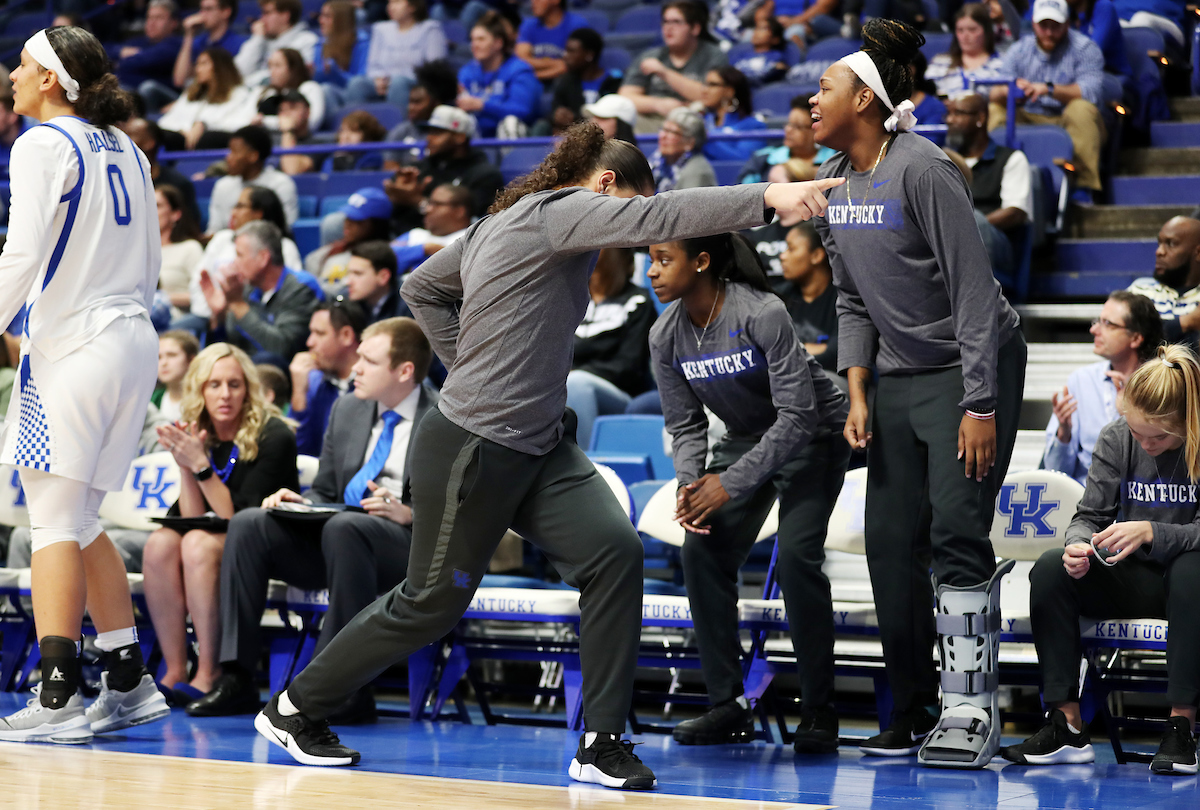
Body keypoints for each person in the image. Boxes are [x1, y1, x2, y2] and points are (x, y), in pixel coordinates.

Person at [252, 121, 846, 784]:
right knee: (431, 601)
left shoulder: (500, 224)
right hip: (472, 444)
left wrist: (472, 361)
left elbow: (421, 285)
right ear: (605, 185)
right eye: (629, 213)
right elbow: (665, 212)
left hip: (538, 441)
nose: (637, 235)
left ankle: (601, 741)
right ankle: (295, 706)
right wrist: (773, 197)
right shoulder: (559, 211)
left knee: (613, 554)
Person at [811, 19, 1026, 768]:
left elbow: (973, 293)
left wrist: (979, 404)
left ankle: (970, 709)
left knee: (955, 536)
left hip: (972, 365)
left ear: (865, 100)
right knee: (887, 547)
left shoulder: (926, 169)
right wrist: (858, 389)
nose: (813, 99)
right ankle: (907, 711)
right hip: (896, 374)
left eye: (826, 88)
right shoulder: (837, 184)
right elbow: (849, 300)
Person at [0, 25, 170, 744]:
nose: (10, 74)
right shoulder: (128, 147)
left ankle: (58, 695)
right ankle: (128, 680)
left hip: (73, 346)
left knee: (53, 524)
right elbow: (154, 259)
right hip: (134, 340)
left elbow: (25, 248)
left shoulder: (40, 143)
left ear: (48, 79)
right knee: (85, 518)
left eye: (20, 64)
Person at [648, 231, 849, 753]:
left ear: (702, 262)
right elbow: (686, 425)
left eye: (663, 260)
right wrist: (691, 484)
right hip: (746, 437)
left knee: (799, 559)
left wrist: (729, 484)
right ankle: (728, 705)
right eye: (650, 261)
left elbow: (799, 415)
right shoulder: (664, 334)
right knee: (702, 550)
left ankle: (819, 711)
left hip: (814, 433)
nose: (652, 271)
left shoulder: (761, 312)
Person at [190, 318, 436, 721]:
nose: (355, 368)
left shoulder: (443, 417)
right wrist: (300, 504)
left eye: (368, 361)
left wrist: (410, 513)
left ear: (404, 371)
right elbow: (325, 492)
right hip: (342, 539)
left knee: (346, 527)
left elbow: (466, 506)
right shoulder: (348, 408)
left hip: (406, 547)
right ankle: (235, 676)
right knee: (251, 523)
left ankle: (339, 688)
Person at [1001, 342, 1200, 775]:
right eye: (1138, 431)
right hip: (1136, 581)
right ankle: (1067, 722)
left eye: (1160, 437)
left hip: (1189, 586)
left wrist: (1152, 531)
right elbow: (1088, 516)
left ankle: (1182, 726)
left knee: (1191, 569)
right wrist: (1079, 545)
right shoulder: (1117, 436)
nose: (1146, 444)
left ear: (1188, 422)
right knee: (1052, 567)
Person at [142, 343, 299, 706]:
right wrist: (185, 465)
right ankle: (175, 669)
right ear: (199, 389)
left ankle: (210, 670)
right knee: (161, 543)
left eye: (234, 384)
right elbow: (190, 516)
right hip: (214, 537)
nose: (225, 394)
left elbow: (239, 519)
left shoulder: (273, 435)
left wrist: (200, 466)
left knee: (197, 543)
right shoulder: (203, 431)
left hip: (265, 543)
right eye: (214, 385)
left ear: (248, 389)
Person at [990, 0, 1107, 203]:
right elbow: (994, 91)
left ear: (1067, 23)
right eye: (1044, 26)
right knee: (995, 108)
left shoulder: (1085, 48)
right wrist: (1013, 89)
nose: (1049, 33)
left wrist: (1048, 89)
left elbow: (1091, 91)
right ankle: (993, 174)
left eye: (1056, 26)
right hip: (1027, 113)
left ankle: (1083, 184)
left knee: (1082, 109)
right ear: (1034, 24)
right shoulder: (1019, 50)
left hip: (1065, 116)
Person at [1043, 290, 1161, 485]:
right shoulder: (1081, 381)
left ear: (1136, 338)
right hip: (1085, 499)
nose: (1094, 330)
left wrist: (1128, 414)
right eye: (1097, 321)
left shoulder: (1164, 385)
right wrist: (1064, 434)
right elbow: (1056, 473)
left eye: (1108, 324)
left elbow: (1160, 466)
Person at [201, 220, 325, 365]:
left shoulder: (301, 289)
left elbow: (281, 349)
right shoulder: (246, 290)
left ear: (263, 258)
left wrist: (238, 305)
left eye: (240, 255)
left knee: (265, 360)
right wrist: (219, 317)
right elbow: (226, 347)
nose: (234, 263)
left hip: (285, 374)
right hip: (246, 372)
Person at [567, 247, 656, 447]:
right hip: (568, 383)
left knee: (576, 384)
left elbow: (628, 368)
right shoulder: (573, 299)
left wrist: (574, 373)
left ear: (623, 256)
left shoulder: (638, 302)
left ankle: (586, 465)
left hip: (618, 392)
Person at [943, 91, 1035, 280]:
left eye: (958, 113)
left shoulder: (1010, 159)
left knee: (972, 219)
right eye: (949, 113)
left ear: (981, 118)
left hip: (995, 244)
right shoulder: (943, 161)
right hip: (949, 243)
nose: (950, 120)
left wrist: (965, 229)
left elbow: (1015, 212)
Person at [188, 185, 304, 327]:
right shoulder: (222, 238)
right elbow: (199, 281)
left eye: (240, 206)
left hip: (260, 320)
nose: (233, 212)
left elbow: (288, 294)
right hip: (211, 316)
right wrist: (212, 312)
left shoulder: (284, 247)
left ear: (258, 214)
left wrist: (236, 310)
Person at [381, 105, 504, 234]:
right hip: (407, 240)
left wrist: (417, 202)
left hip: (456, 245)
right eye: (429, 132)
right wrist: (396, 193)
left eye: (437, 132)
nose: (429, 138)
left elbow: (474, 221)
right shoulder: (417, 170)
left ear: (460, 137)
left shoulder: (485, 175)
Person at [620, 1, 728, 134]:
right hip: (650, 119)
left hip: (692, 123)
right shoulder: (650, 56)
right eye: (665, 22)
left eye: (676, 22)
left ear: (695, 28)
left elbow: (711, 96)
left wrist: (664, 72)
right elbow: (625, 96)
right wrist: (658, 104)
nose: (668, 28)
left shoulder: (713, 56)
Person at [290, 298, 368, 456]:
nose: (309, 342)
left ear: (346, 335)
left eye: (319, 333)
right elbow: (299, 454)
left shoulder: (374, 383)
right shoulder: (312, 380)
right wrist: (299, 393)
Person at [345, 0, 447, 107]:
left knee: (398, 83)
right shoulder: (381, 29)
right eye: (389, 3)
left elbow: (435, 70)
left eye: (396, 2)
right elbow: (373, 65)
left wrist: (392, 81)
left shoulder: (430, 29)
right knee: (357, 83)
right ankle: (354, 122)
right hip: (384, 83)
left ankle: (401, 122)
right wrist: (378, 79)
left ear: (413, 6)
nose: (391, 7)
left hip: (415, 83)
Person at [457, 12, 542, 138]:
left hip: (515, 134)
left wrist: (482, 105)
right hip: (477, 133)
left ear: (498, 43)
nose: (474, 45)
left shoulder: (519, 70)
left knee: (510, 123)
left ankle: (512, 159)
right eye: (472, 39)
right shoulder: (467, 71)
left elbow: (522, 110)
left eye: (481, 39)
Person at [157, 46, 255, 152]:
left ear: (220, 67)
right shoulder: (191, 94)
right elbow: (165, 122)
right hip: (181, 140)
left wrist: (204, 125)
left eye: (204, 64)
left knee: (207, 139)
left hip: (212, 142)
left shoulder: (238, 94)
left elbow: (240, 122)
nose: (198, 69)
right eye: (197, 64)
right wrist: (183, 131)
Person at [207, 124, 299, 235]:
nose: (228, 157)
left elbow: (284, 229)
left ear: (253, 156)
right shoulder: (222, 185)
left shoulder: (281, 184)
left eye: (234, 152)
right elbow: (214, 231)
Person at [1128, 217, 1200, 350]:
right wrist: (1187, 322)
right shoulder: (1140, 290)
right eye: (1159, 243)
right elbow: (1126, 339)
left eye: (1171, 243)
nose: (1159, 251)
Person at [776, 221, 839, 373]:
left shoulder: (843, 298)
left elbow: (836, 354)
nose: (782, 256)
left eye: (791, 249)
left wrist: (789, 353)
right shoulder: (778, 297)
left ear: (816, 255)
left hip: (834, 381)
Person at [306, 188, 394, 289]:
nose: (347, 223)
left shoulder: (387, 256)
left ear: (376, 225)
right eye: (348, 217)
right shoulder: (330, 251)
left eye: (357, 220)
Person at [120, 118, 200, 225]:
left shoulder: (178, 183)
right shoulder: (117, 180)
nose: (123, 140)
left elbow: (191, 225)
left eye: (130, 135)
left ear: (149, 143)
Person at [543, 28, 624, 134]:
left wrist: (575, 119)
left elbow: (615, 116)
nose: (565, 56)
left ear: (589, 55)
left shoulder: (614, 81)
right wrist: (557, 116)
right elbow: (554, 109)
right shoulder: (566, 81)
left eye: (571, 51)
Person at [738, 97, 835, 184]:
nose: (788, 130)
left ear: (815, 129)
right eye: (788, 124)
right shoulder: (763, 159)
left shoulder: (836, 160)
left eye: (797, 126)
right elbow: (743, 194)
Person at [382, 60, 459, 168]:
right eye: (410, 102)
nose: (410, 107)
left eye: (417, 102)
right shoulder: (400, 132)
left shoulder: (457, 131)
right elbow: (389, 169)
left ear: (436, 103)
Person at [389, 182, 473, 280]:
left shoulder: (470, 240)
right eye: (429, 203)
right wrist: (424, 249)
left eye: (437, 204)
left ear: (459, 212)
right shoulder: (415, 234)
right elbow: (381, 261)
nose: (427, 209)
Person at [925, 3, 1006, 98]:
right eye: (960, 30)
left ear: (987, 31)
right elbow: (926, 96)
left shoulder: (1002, 64)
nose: (965, 36)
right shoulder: (939, 62)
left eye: (972, 30)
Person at [115, 0, 183, 111]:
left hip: (162, 98)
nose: (152, 23)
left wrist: (121, 61)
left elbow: (148, 61)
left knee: (147, 88)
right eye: (149, 18)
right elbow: (107, 50)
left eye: (159, 18)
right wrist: (120, 53)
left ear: (173, 23)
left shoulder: (175, 44)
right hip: (131, 91)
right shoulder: (139, 42)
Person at [234, 0, 319, 84]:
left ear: (285, 16)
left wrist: (250, 82)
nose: (262, 19)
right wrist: (257, 39)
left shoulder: (306, 41)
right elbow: (237, 73)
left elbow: (292, 76)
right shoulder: (259, 41)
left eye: (267, 13)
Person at [173, 0, 247, 91]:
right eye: (201, 9)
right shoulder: (198, 42)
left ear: (226, 12)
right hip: (195, 96)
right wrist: (189, 35)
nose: (202, 15)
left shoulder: (241, 44)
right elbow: (179, 80)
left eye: (208, 9)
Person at [249, 48, 325, 135]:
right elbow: (250, 119)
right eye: (270, 66)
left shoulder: (310, 88)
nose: (272, 71)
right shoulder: (264, 92)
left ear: (293, 69)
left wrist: (264, 122)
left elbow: (311, 122)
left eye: (277, 66)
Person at [700, 66, 768, 163]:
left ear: (729, 91)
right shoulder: (702, 121)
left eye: (712, 85)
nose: (704, 90)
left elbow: (744, 161)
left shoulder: (754, 126)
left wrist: (704, 140)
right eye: (705, 84)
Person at [157, 184, 205, 318]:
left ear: (175, 214)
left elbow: (203, 295)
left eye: (157, 205)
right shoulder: (141, 251)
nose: (149, 210)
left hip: (177, 320)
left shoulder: (189, 248)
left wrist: (163, 298)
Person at [515, 0, 589, 84]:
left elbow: (571, 66)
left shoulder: (577, 25)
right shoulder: (528, 25)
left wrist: (533, 74)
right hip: (533, 85)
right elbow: (521, 59)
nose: (533, 2)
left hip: (568, 84)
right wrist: (556, 64)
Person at [311, 0, 369, 106]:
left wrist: (336, 73)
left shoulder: (361, 42)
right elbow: (317, 81)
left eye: (327, 16)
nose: (320, 21)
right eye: (321, 16)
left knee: (327, 90)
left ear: (342, 20)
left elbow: (360, 81)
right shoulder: (319, 45)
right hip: (327, 96)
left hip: (352, 95)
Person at [652, 107, 717, 192]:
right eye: (663, 129)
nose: (663, 136)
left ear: (690, 142)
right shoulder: (657, 161)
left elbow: (690, 205)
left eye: (672, 132)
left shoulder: (697, 172)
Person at [345, 240, 407, 324]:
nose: (348, 282)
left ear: (383, 277)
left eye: (358, 274)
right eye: (349, 273)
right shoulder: (346, 297)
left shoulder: (407, 307)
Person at [151, 330, 201, 424]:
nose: (163, 363)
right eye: (159, 357)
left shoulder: (203, 399)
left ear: (191, 360)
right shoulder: (153, 399)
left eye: (171, 355)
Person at [733, 15, 789, 87]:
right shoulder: (742, 54)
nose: (756, 32)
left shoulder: (776, 57)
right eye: (756, 28)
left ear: (775, 39)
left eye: (763, 29)